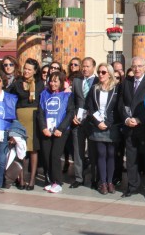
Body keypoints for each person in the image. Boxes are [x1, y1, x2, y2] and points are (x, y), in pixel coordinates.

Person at [118, 56, 145, 199]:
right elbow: (120, 104)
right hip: (129, 127)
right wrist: (126, 119)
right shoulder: (125, 82)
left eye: (140, 66)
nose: (137, 69)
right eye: (134, 66)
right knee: (131, 158)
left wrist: (139, 119)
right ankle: (133, 186)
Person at [85, 63, 121, 195]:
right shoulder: (94, 88)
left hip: (111, 127)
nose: (100, 74)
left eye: (103, 72)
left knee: (111, 154)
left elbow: (118, 108)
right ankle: (103, 182)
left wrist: (108, 123)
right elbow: (90, 107)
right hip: (97, 125)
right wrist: (98, 122)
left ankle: (110, 181)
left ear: (110, 74)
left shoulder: (117, 88)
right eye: (99, 72)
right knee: (101, 154)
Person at [38, 70, 75, 194]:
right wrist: (43, 127)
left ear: (61, 82)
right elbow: (41, 112)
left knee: (55, 155)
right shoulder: (44, 94)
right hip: (47, 130)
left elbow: (70, 113)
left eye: (56, 81)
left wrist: (61, 129)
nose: (53, 84)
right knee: (46, 155)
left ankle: (58, 182)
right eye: (51, 81)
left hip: (60, 130)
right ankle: (49, 180)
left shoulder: (67, 95)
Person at [12, 58, 45, 190]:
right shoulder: (17, 83)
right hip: (20, 117)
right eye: (25, 68)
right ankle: (21, 179)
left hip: (34, 118)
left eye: (29, 69)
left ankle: (31, 180)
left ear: (35, 71)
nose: (26, 71)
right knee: (20, 149)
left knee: (33, 149)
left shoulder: (40, 84)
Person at [70, 57, 98, 189]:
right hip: (78, 120)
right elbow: (72, 101)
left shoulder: (99, 81)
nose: (85, 69)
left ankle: (94, 178)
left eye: (87, 66)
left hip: (93, 122)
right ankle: (78, 178)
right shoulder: (76, 81)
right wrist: (73, 115)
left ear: (93, 67)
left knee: (93, 152)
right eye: (83, 66)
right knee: (78, 151)